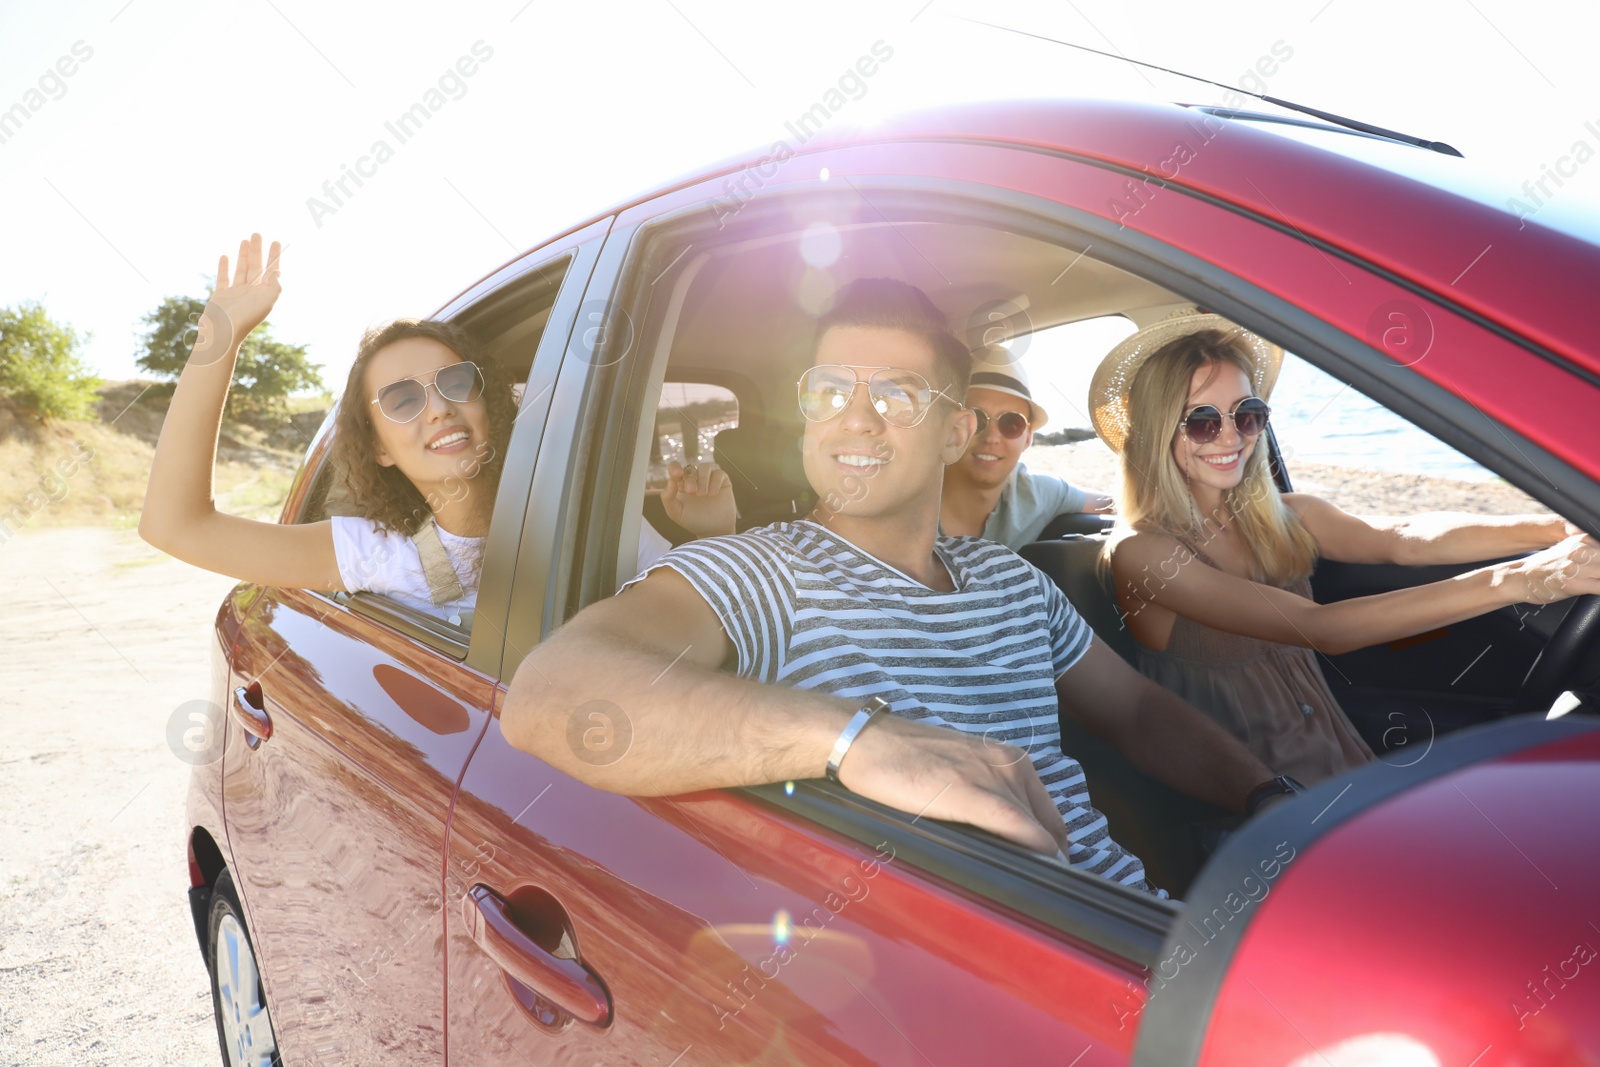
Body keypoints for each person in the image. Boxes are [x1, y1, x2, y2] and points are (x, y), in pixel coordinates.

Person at [501, 278, 1306, 899]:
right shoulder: (758, 572)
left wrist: (1266, 796)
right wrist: (859, 740)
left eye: (894, 394)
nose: (854, 419)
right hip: (973, 975)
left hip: (1130, 922)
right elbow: (550, 693)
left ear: (956, 430)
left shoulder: (1010, 580)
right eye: (828, 391)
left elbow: (1137, 710)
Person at [1093, 307, 1600, 785]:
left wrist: (1557, 530)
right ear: (1158, 431)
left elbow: (1401, 540)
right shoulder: (1145, 554)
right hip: (1247, 802)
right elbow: (1321, 629)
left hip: (1335, 760)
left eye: (1246, 413)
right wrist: (1520, 580)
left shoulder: (1287, 515)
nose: (1231, 437)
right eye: (1202, 420)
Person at [139, 234, 734, 621]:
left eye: (454, 383)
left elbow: (709, 615)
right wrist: (220, 338)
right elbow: (175, 525)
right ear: (378, 448)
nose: (438, 408)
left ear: (488, 404)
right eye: (400, 399)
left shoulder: (588, 523)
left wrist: (718, 535)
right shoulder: (375, 551)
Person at [939, 348, 1113, 548]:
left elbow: (1117, 505)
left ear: (1028, 437)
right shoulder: (912, 495)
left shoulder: (1035, 493)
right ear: (952, 428)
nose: (992, 438)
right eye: (976, 419)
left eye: (1011, 423)